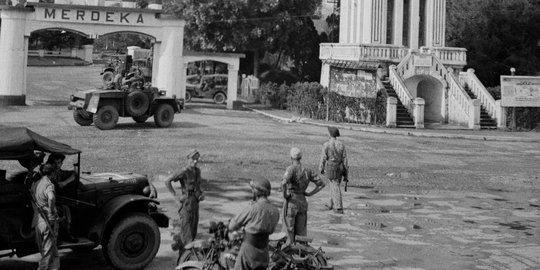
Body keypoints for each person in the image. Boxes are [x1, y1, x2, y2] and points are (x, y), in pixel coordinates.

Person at [229, 179, 279, 270]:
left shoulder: (252, 208)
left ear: (256, 192)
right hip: (264, 252)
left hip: (249, 251)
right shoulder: (275, 211)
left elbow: (232, 226)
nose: (252, 191)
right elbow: (271, 230)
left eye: (253, 189)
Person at [281, 147, 325, 245]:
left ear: (291, 158)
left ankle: (288, 254)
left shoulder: (291, 169)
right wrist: (310, 193)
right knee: (301, 232)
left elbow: (284, 183)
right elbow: (322, 184)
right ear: (300, 157)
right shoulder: (307, 170)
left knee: (288, 231)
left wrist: (285, 194)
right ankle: (301, 254)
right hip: (302, 201)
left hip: (292, 201)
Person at [165, 149, 205, 257]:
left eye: (197, 159)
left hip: (195, 203)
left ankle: (185, 255)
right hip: (186, 203)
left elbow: (198, 185)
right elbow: (167, 181)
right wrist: (175, 195)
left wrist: (201, 193)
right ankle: (183, 259)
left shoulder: (197, 171)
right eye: (193, 159)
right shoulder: (183, 171)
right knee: (186, 234)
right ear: (188, 159)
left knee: (193, 231)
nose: (195, 161)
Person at [31, 163, 60, 270]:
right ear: (51, 173)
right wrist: (51, 211)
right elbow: (51, 198)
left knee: (51, 250)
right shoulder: (48, 184)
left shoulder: (35, 184)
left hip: (38, 220)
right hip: (48, 220)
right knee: (47, 253)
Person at [45, 153, 78, 242]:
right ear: (52, 163)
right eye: (58, 162)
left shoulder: (57, 171)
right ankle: (62, 236)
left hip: (55, 199)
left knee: (67, 207)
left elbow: (73, 174)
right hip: (47, 201)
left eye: (60, 162)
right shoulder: (48, 172)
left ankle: (64, 234)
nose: (59, 165)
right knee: (64, 210)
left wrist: (65, 182)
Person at [319, 126, 349, 214]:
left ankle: (338, 207)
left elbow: (323, 158)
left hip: (331, 167)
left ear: (330, 134)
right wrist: (346, 172)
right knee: (334, 185)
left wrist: (321, 168)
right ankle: (331, 203)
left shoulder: (326, 144)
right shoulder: (341, 144)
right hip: (340, 167)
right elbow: (345, 159)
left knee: (334, 186)